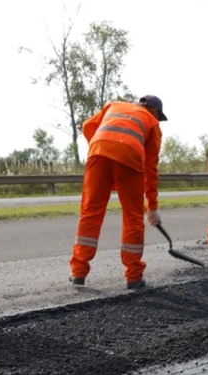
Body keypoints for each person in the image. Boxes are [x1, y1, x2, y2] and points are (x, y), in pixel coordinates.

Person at [69, 95, 166, 289]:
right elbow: (151, 169)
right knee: (133, 217)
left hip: (98, 153)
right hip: (130, 157)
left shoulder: (114, 105)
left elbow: (88, 125)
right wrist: (152, 206)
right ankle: (134, 276)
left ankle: (78, 272)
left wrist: (103, 148)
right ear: (155, 111)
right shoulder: (152, 123)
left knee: (90, 213)